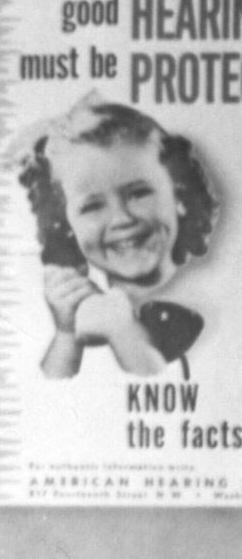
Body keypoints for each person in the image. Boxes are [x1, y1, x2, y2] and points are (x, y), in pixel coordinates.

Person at [17, 94, 220, 379]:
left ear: (180, 195)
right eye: (92, 206)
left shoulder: (209, 294)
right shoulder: (96, 305)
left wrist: (123, 331)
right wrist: (66, 332)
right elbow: (52, 388)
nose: (122, 218)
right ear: (65, 224)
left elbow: (166, 384)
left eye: (139, 193)